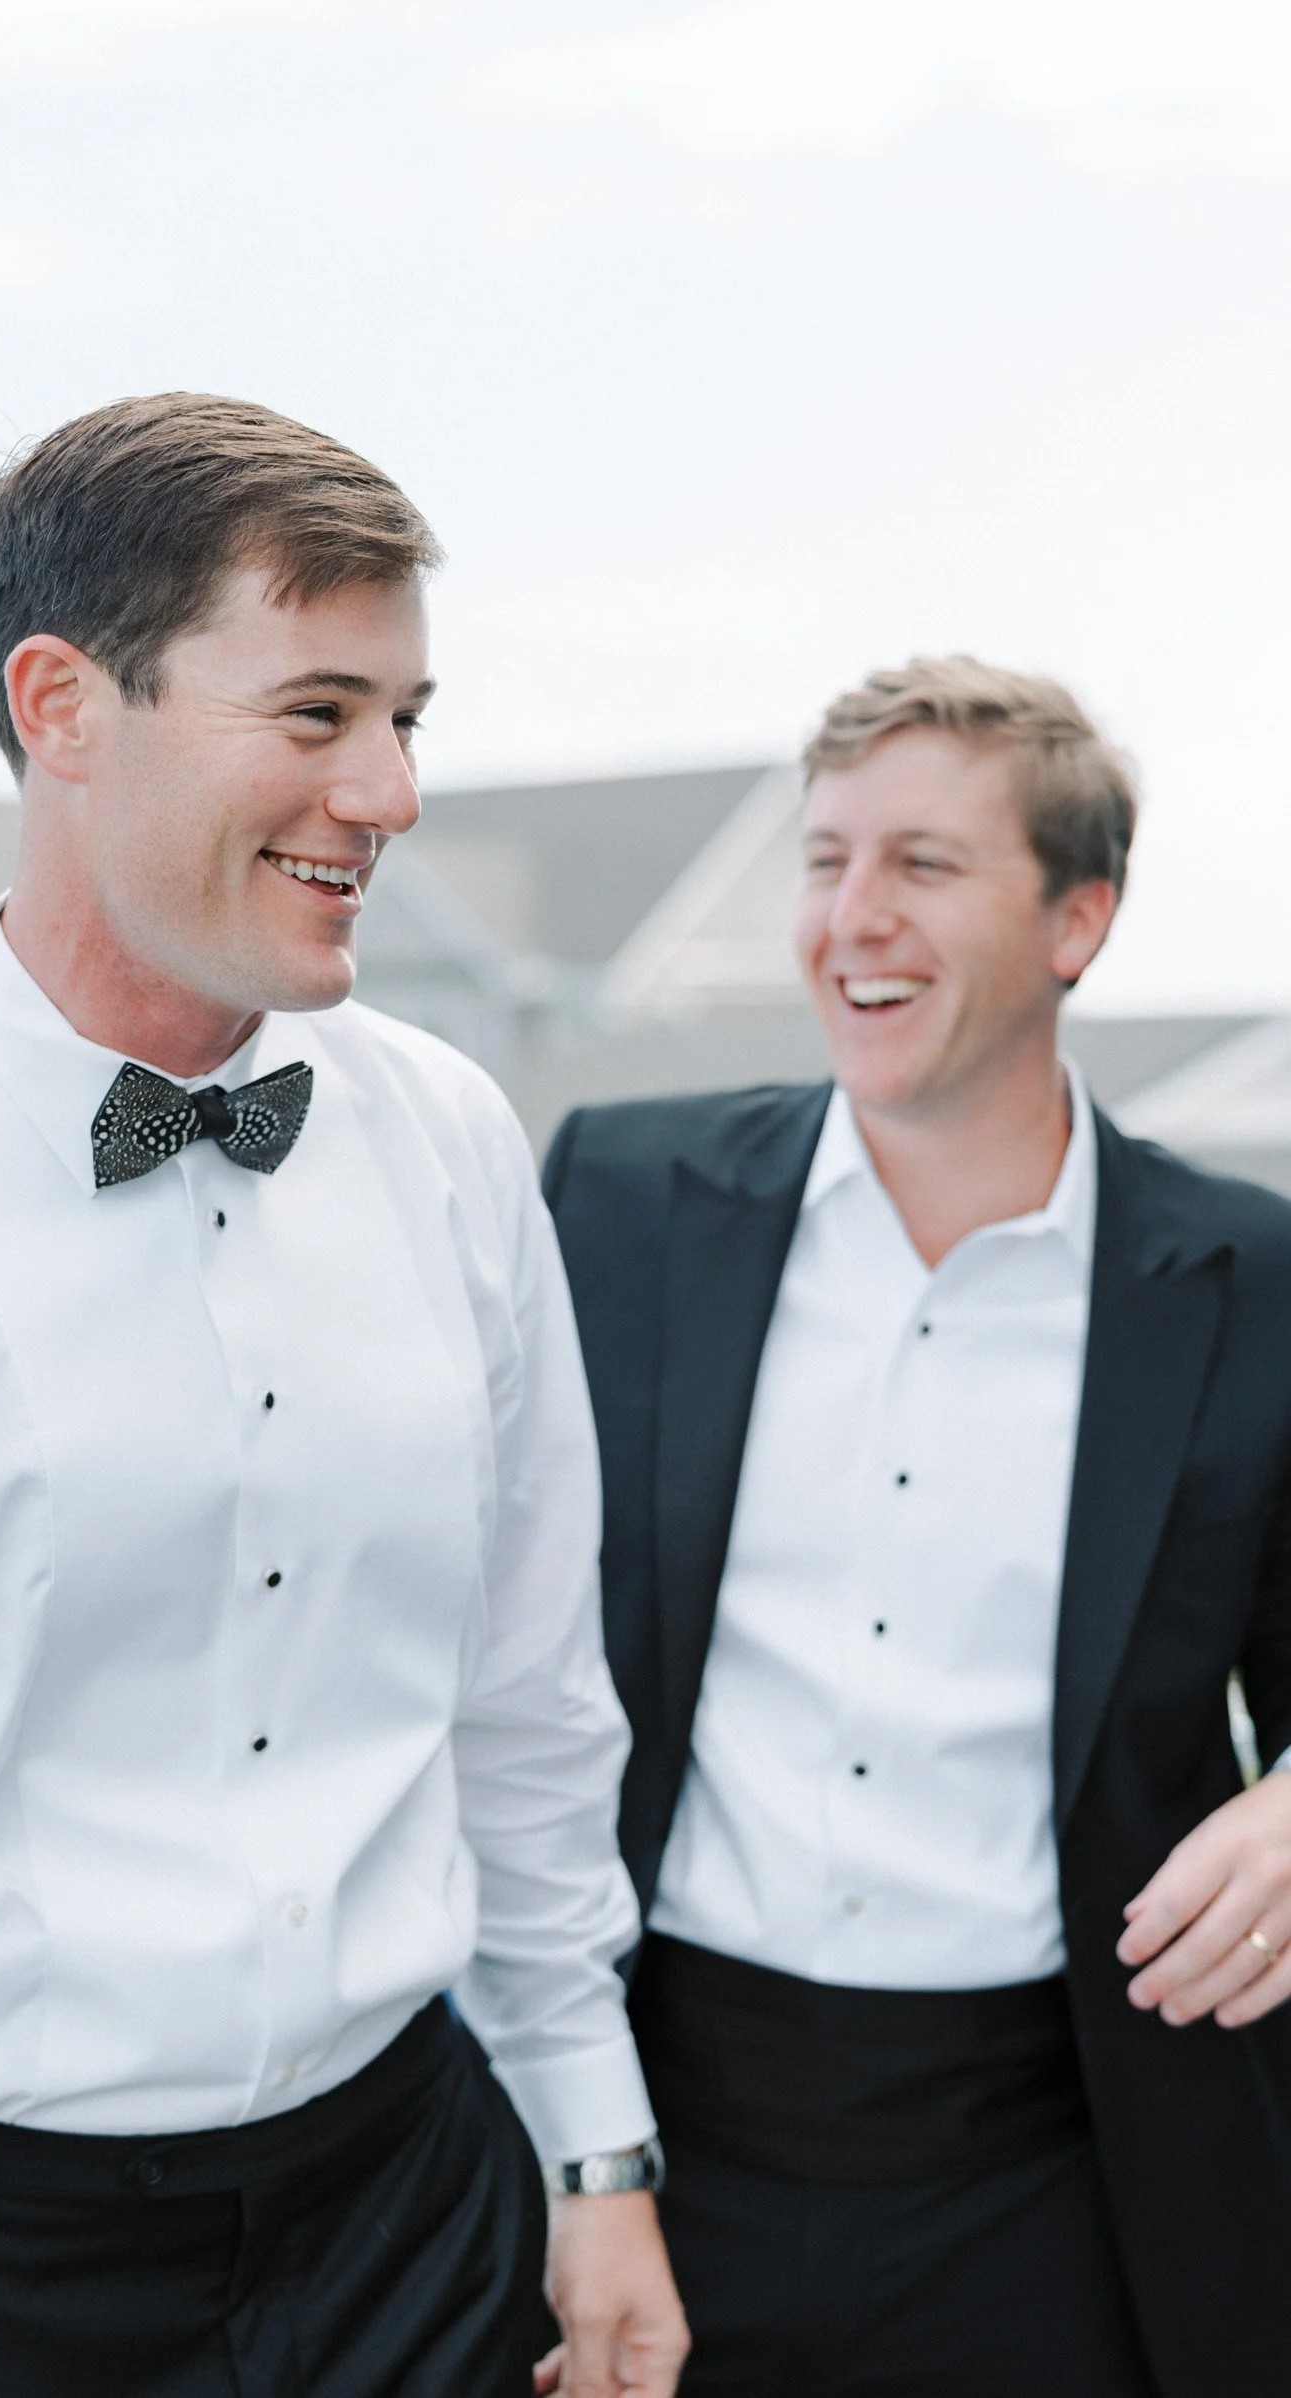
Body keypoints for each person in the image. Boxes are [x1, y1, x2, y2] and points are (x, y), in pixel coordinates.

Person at [0, 393, 688, 2398]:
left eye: (409, 716)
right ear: (65, 703)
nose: (394, 791)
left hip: (424, 2215)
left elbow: (524, 1706)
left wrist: (596, 2150)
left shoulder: (449, 1139)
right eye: (321, 710)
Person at [544, 656, 1291, 2397]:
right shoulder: (617, 1198)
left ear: (1078, 920)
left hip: (1075, 2167)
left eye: (925, 866)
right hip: (661, 2150)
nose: (849, 919)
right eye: (823, 859)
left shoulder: (1255, 1284)